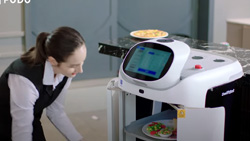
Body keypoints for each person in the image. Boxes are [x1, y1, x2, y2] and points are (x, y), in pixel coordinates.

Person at [0, 26, 87, 141]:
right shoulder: (24, 80)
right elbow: (21, 131)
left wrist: (78, 139)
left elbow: (56, 111)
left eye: (82, 63)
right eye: (74, 65)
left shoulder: (66, 71)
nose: (80, 70)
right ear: (53, 61)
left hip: (30, 118)